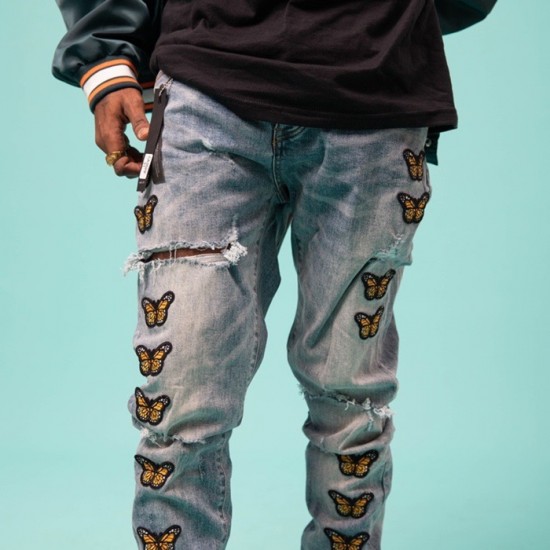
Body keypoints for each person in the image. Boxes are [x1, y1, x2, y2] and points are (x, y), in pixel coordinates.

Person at [52, 1, 491, 548]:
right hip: (207, 89)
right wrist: (105, 56)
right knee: (180, 397)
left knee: (349, 398)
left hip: (374, 99)